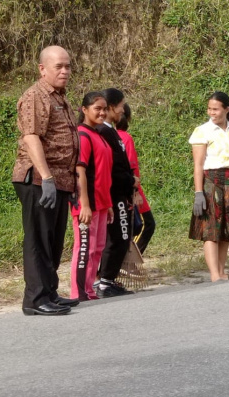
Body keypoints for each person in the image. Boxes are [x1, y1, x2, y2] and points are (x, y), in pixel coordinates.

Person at [12, 45, 80, 316]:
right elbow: (31, 138)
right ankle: (35, 299)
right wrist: (48, 178)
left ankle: (49, 292)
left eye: (68, 66)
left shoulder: (60, 97)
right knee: (38, 240)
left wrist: (69, 182)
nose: (65, 71)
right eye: (58, 67)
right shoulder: (35, 96)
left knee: (53, 240)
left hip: (59, 180)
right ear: (42, 69)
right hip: (39, 180)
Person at [188, 91, 229, 282]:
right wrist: (199, 192)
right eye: (209, 109)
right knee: (211, 230)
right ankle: (214, 273)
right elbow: (198, 164)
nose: (212, 113)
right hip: (211, 181)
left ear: (226, 109)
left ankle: (222, 270)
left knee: (227, 230)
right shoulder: (202, 131)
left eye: (216, 109)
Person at [70, 92, 113, 301]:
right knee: (84, 248)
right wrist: (84, 204)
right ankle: (78, 292)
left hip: (103, 203)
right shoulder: (83, 135)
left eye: (105, 108)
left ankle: (88, 289)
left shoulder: (100, 135)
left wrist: (109, 204)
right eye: (97, 108)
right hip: (88, 204)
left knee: (97, 248)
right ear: (84, 110)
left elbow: (104, 173)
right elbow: (80, 171)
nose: (102, 112)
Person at [95, 88, 138, 298]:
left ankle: (106, 280)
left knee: (121, 236)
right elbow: (112, 166)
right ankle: (104, 281)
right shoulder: (103, 131)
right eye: (121, 105)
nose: (122, 110)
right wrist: (129, 180)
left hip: (121, 190)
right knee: (119, 237)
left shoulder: (110, 130)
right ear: (112, 106)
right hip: (114, 192)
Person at [118, 104, 156, 255]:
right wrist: (135, 192)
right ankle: (131, 259)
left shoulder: (104, 135)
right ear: (128, 117)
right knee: (147, 224)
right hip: (131, 188)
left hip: (120, 189)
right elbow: (131, 167)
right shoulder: (125, 138)